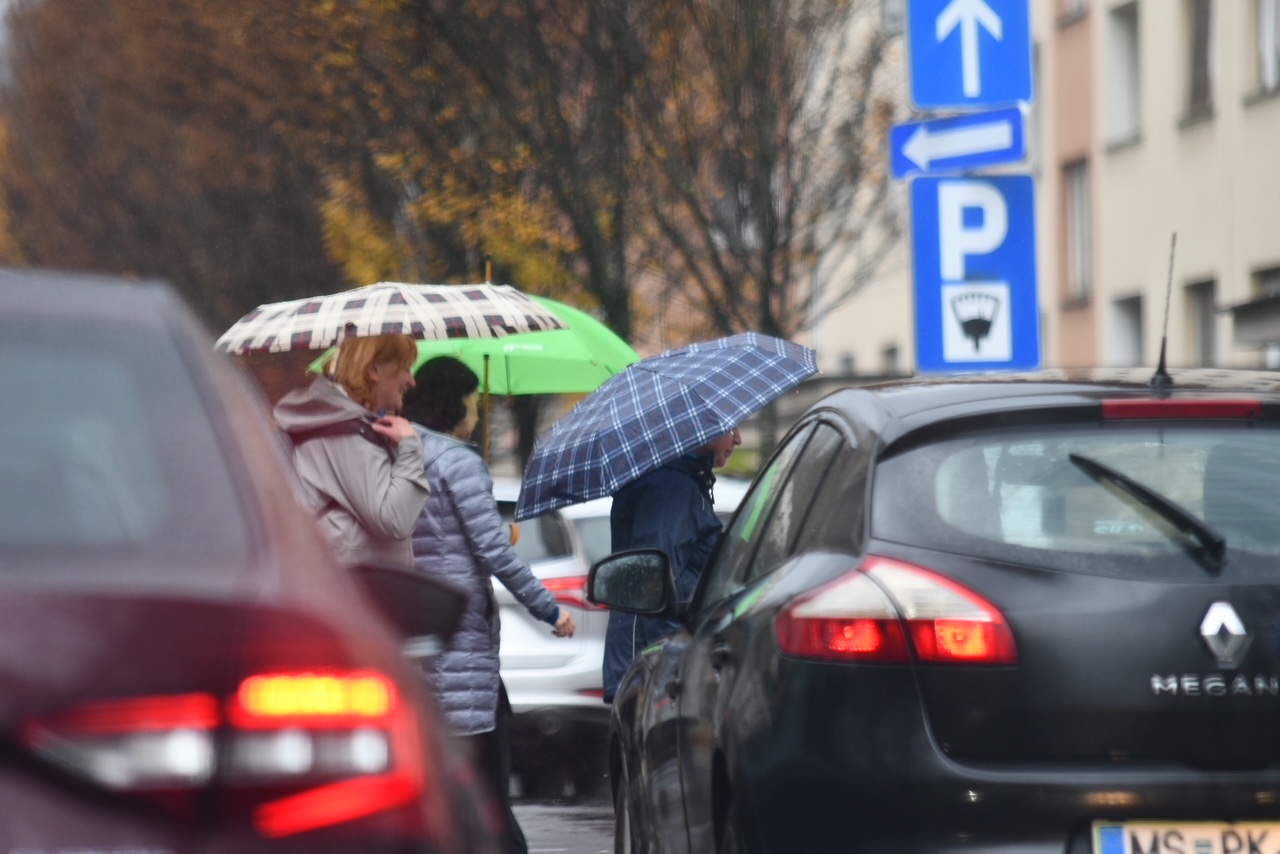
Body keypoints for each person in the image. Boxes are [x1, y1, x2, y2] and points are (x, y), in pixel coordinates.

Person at [401, 355, 575, 854]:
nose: (477, 412)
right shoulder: (458, 460)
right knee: (488, 795)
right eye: (474, 402)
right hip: (461, 639)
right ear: (454, 403)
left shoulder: (397, 452)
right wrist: (550, 610)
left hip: (421, 628)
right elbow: (493, 552)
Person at [601, 426, 742, 703]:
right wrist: (669, 673)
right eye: (731, 429)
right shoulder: (671, 487)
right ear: (703, 428)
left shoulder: (681, 480)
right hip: (655, 665)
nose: (738, 439)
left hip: (655, 658)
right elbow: (655, 585)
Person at [273, 333, 429, 572]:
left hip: (344, 583)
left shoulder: (333, 422)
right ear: (375, 371)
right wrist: (410, 448)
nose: (412, 381)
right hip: (355, 588)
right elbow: (394, 519)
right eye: (405, 368)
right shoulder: (346, 432)